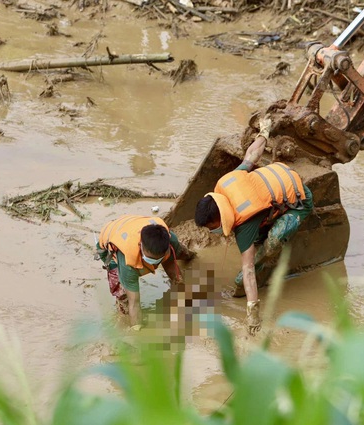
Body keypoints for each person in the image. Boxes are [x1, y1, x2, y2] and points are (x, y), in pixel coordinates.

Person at [194, 118, 313, 335]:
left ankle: (271, 243)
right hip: (277, 174)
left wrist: (252, 313)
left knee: (272, 242)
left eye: (213, 227)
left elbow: (248, 271)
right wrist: (264, 133)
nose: (213, 232)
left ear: (219, 217)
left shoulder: (244, 223)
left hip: (299, 198)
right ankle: (267, 226)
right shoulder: (226, 182)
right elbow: (252, 155)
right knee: (262, 222)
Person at [96, 215, 195, 329]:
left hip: (135, 224)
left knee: (181, 253)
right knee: (125, 297)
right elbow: (135, 303)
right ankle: (123, 315)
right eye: (151, 259)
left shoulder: (170, 239)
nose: (154, 263)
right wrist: (137, 329)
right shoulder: (127, 263)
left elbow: (171, 262)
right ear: (140, 246)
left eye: (158, 259)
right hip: (112, 244)